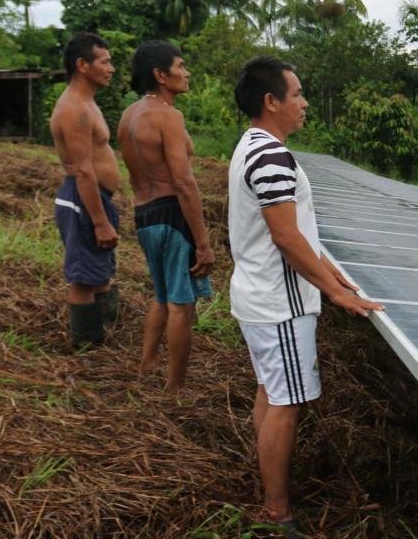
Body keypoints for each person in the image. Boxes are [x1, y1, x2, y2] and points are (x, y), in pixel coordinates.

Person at [228, 57, 382, 534]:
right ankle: (278, 512)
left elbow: (297, 234)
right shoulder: (271, 155)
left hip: (260, 297)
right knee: (286, 404)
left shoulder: (253, 147)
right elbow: (286, 238)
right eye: (296, 94)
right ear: (271, 102)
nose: (304, 102)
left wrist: (333, 271)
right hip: (281, 303)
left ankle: (267, 492)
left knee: (270, 393)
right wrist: (334, 292)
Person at [117, 40, 214, 396]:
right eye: (180, 66)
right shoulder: (168, 116)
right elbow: (184, 183)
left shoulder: (129, 115)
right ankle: (175, 388)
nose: (186, 73)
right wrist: (202, 244)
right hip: (172, 215)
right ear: (161, 75)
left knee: (161, 296)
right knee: (182, 304)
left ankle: (147, 365)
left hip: (144, 215)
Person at [51, 32, 120, 347]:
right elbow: (82, 170)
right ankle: (88, 348)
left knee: (100, 270)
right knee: (83, 280)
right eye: (104, 62)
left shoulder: (87, 103)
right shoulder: (74, 109)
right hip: (83, 201)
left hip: (96, 199)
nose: (111, 68)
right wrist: (99, 220)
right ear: (82, 65)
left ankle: (107, 332)